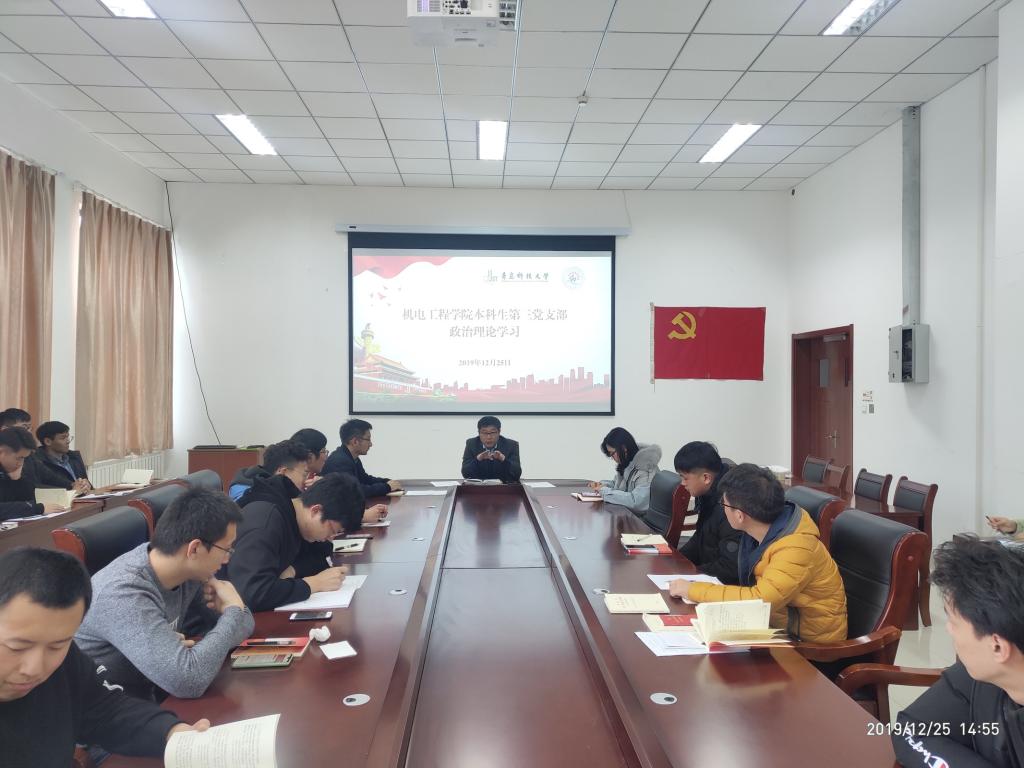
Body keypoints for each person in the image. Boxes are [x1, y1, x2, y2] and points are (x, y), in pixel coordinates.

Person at [0, 548, 208, 766]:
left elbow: (105, 710)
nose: (34, 669)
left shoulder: (66, 659)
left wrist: (171, 732)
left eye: (56, 646)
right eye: (17, 647)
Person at [74, 489, 255, 701]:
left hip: (153, 698)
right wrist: (232, 612)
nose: (226, 560)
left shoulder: (187, 572)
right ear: (194, 549)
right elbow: (188, 681)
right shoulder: (124, 593)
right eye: (226, 549)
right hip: (109, 708)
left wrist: (231, 618)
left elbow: (246, 624)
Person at [668, 463, 847, 643]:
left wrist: (692, 590)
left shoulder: (796, 548)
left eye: (724, 504)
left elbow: (759, 601)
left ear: (740, 516)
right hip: (773, 627)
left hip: (809, 645)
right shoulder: (760, 529)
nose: (723, 509)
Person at [893, 535, 1024, 767]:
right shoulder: (981, 677)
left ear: (997, 646)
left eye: (953, 621)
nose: (948, 630)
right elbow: (911, 730)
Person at [227, 472, 365, 611]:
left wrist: (293, 570)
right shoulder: (265, 523)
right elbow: (253, 593)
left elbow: (322, 555)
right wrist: (313, 584)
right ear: (316, 511)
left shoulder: (298, 514)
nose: (331, 538)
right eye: (332, 530)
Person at [674, 441, 741, 584]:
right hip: (708, 574)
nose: (682, 483)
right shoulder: (708, 495)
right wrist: (676, 561)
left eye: (685, 478)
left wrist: (691, 573)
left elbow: (730, 568)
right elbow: (700, 538)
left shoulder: (729, 506)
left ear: (706, 478)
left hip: (724, 585)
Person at [588, 427, 661, 514]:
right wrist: (602, 485)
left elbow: (636, 502)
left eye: (612, 453)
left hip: (640, 520)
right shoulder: (628, 463)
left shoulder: (646, 469)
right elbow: (618, 486)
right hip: (628, 515)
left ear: (624, 448)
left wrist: (605, 491)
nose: (613, 458)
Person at [322, 419, 402, 498]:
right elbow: (355, 491)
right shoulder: (339, 461)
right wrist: (387, 487)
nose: (371, 444)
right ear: (355, 441)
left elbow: (365, 479)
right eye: (368, 439)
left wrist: (387, 481)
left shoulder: (351, 457)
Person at [0, 427, 60, 521]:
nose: (21, 463)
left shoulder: (14, 470)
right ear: (2, 451)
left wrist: (17, 480)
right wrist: (37, 508)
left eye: (24, 458)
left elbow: (28, 498)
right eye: (19, 458)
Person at [228, 438, 309, 503]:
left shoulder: (269, 490)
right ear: (283, 473)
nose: (307, 481)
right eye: (305, 475)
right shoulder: (257, 501)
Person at [32, 421, 91, 492]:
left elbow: (85, 483)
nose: (68, 441)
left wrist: (86, 485)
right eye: (63, 438)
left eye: (68, 437)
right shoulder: (37, 462)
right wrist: (73, 490)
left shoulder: (74, 457)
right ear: (48, 441)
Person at [461, 416, 522, 483]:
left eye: (492, 432)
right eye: (484, 433)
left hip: (503, 488)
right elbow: (465, 473)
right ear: (479, 433)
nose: (489, 437)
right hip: (479, 488)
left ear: (499, 432)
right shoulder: (471, 444)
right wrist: (478, 459)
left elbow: (517, 474)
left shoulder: (511, 445)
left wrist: (503, 460)